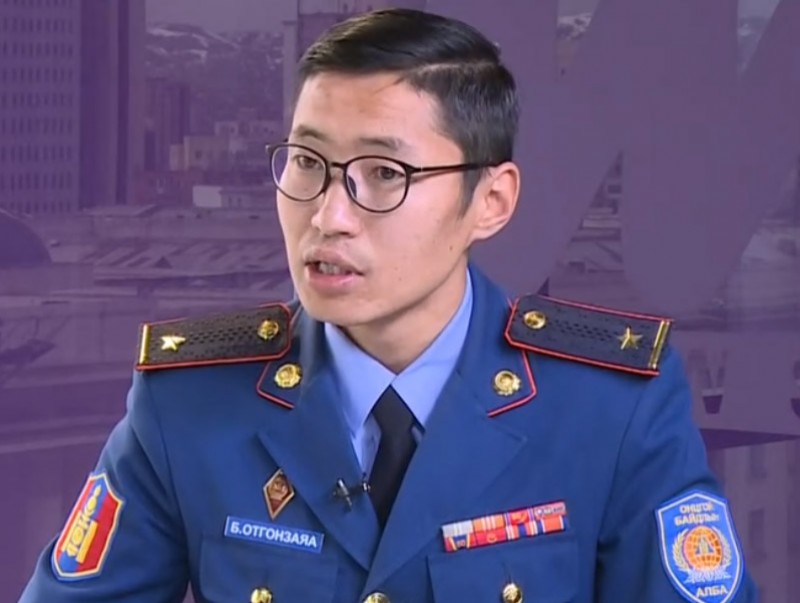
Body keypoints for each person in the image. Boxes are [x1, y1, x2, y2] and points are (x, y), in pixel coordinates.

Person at [19, 8, 758, 603]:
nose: (329, 215)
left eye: (384, 173)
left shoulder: (610, 407)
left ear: (491, 201)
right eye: (307, 163)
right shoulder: (189, 403)